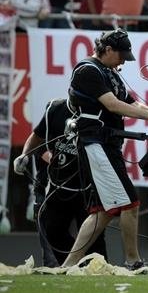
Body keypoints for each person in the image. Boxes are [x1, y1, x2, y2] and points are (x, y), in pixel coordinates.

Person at [61, 29, 148, 268]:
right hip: (94, 143)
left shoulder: (109, 72)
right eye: (121, 56)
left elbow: (130, 101)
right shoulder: (88, 70)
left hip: (106, 144)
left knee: (104, 212)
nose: (123, 61)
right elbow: (113, 105)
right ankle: (133, 261)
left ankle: (67, 266)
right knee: (131, 203)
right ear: (107, 50)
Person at [13, 98, 107, 267]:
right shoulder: (54, 109)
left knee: (94, 237)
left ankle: (97, 269)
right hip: (58, 185)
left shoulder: (101, 113)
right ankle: (74, 266)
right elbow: (37, 136)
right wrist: (25, 154)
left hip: (88, 187)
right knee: (52, 230)